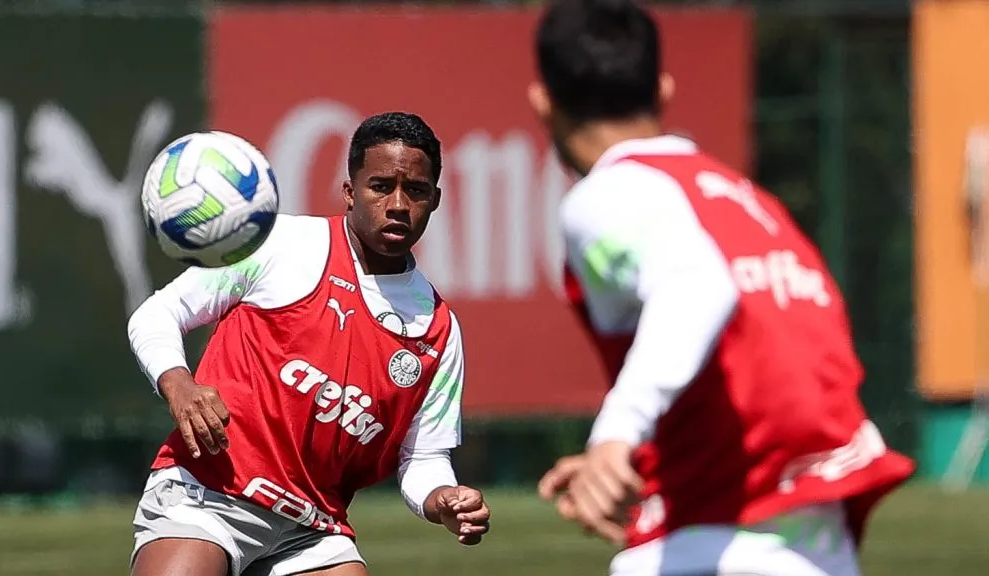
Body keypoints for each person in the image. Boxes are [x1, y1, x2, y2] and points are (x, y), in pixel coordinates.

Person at [529, 1, 914, 575]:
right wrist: (626, 453)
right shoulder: (747, 202)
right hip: (816, 541)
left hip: (720, 544)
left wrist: (615, 432)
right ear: (663, 91)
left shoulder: (607, 196)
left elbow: (698, 286)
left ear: (544, 103)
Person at [126, 112, 490, 576]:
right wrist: (178, 384)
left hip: (313, 529)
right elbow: (157, 313)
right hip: (209, 495)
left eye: (415, 191)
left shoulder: (438, 330)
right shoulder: (281, 244)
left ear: (435, 199)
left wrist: (442, 500)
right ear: (350, 191)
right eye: (381, 186)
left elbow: (423, 457)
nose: (398, 204)